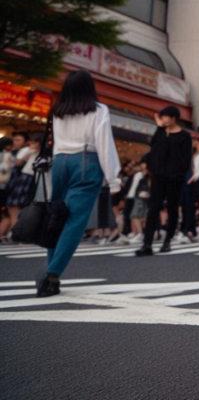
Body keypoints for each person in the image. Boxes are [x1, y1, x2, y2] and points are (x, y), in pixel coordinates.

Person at [38, 71, 121, 297]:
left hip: (60, 162)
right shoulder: (97, 110)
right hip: (86, 161)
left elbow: (54, 145)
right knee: (75, 221)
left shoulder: (58, 111)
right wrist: (113, 178)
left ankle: (50, 272)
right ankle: (52, 275)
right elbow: (105, 144)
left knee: (56, 218)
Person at [134, 107, 192, 256]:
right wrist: (161, 130)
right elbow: (154, 149)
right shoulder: (160, 131)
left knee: (172, 209)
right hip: (159, 176)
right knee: (153, 208)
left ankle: (167, 241)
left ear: (174, 118)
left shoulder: (184, 135)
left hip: (175, 178)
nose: (164, 120)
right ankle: (147, 244)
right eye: (162, 117)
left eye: (166, 117)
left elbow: (186, 159)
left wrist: (179, 175)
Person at [4, 132, 42, 226]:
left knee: (14, 205)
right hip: (32, 178)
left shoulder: (30, 151)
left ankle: (15, 231)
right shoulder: (42, 153)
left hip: (27, 177)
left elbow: (18, 162)